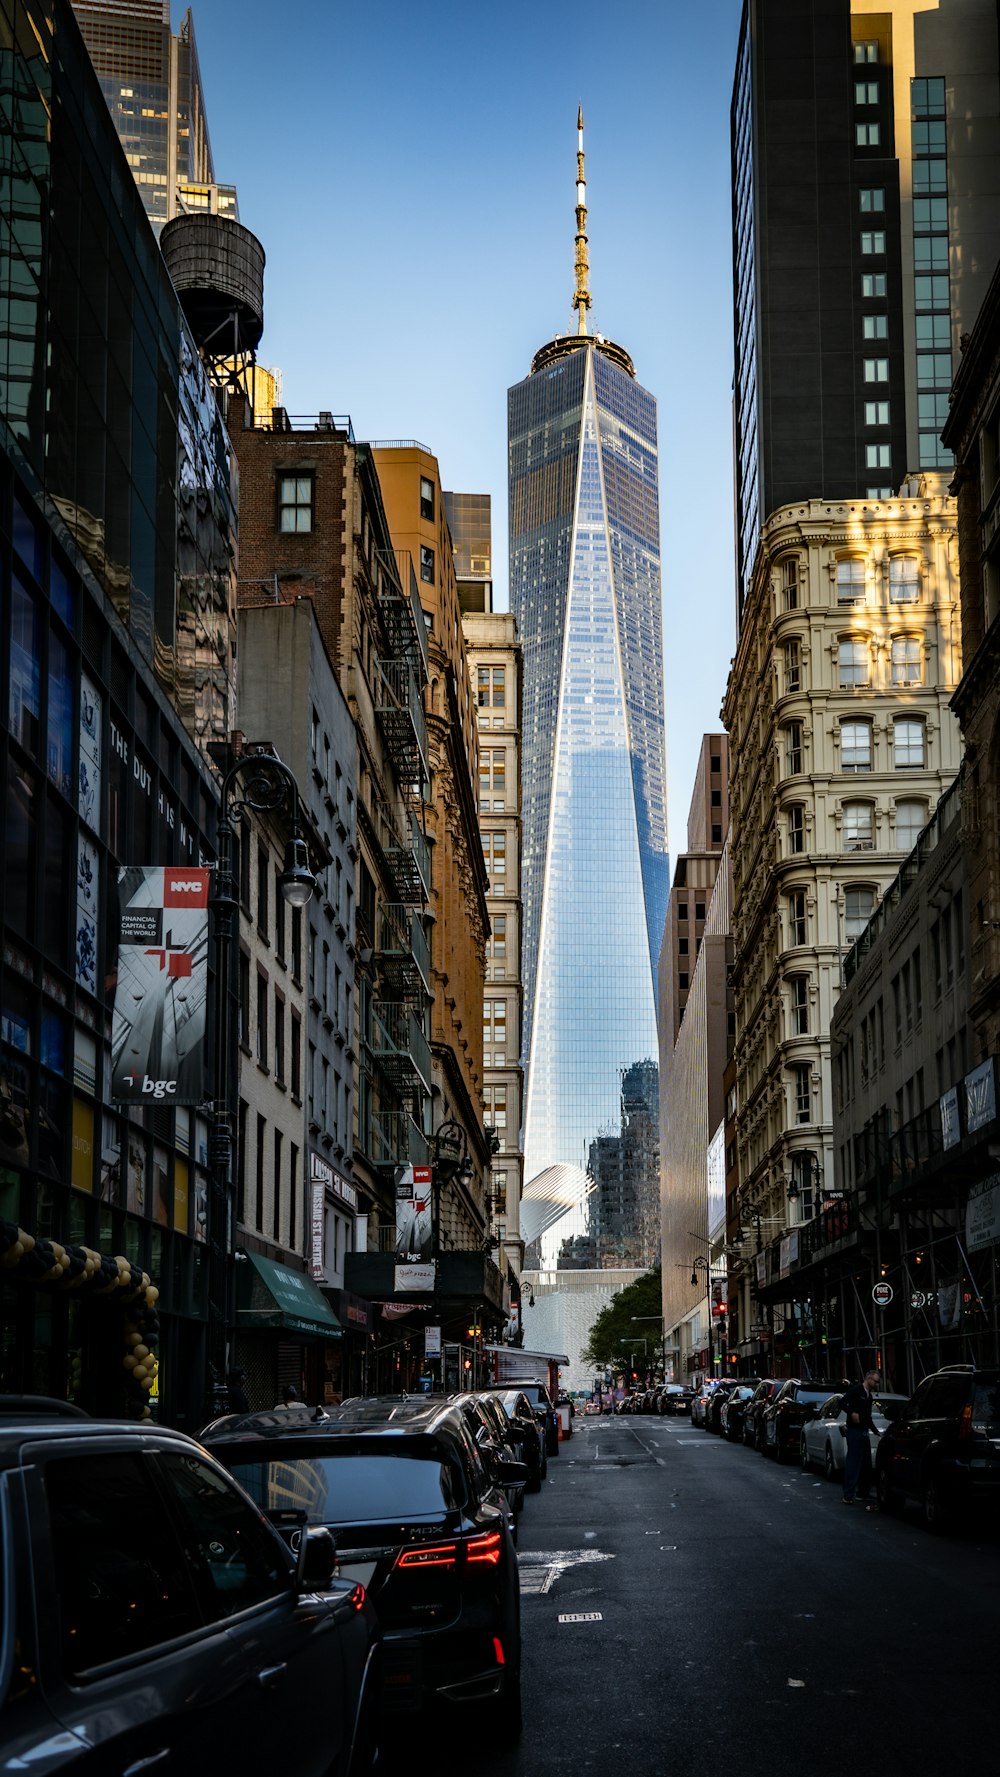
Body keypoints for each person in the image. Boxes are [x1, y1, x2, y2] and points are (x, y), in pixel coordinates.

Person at [840, 1368, 880, 1505]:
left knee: (866, 1465)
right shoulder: (856, 1390)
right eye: (875, 1381)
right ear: (868, 1379)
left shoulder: (869, 1396)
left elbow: (867, 1416)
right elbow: (842, 1402)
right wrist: (852, 1413)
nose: (876, 1384)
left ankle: (862, 1493)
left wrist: (875, 1431)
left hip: (863, 1432)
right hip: (855, 1431)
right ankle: (848, 1494)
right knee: (853, 1463)